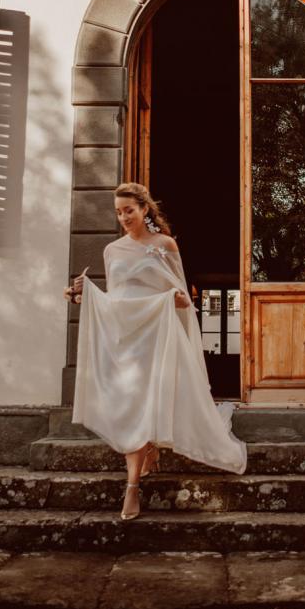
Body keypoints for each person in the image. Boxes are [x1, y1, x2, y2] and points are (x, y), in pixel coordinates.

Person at [63, 182, 248, 520]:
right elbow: (114, 296)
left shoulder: (165, 245)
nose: (123, 218)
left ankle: (132, 487)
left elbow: (180, 293)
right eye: (119, 212)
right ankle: (145, 454)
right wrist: (80, 294)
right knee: (131, 405)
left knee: (147, 402)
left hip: (157, 332)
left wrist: (177, 300)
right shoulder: (112, 250)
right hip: (126, 339)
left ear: (144, 209)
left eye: (129, 211)